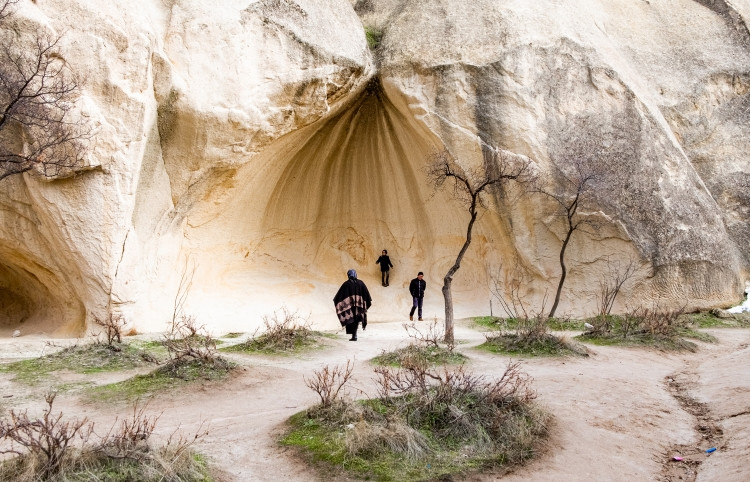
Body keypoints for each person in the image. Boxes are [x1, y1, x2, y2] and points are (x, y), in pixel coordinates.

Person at [333, 269, 372, 341]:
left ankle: (354, 336)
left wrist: (337, 301)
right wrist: (362, 303)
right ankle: (354, 335)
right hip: (358, 306)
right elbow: (366, 295)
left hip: (350, 307)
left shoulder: (346, 284)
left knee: (352, 319)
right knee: (356, 319)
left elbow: (339, 296)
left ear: (348, 275)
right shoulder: (361, 283)